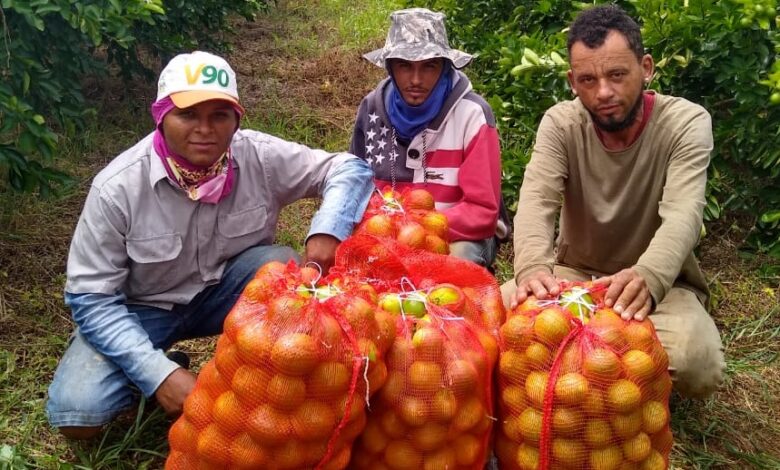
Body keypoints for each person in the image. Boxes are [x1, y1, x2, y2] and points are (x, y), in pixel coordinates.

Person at [46, 51, 374, 439]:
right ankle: (159, 367)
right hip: (142, 311)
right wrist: (158, 374)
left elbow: (348, 168)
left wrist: (327, 230)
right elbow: (92, 298)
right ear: (161, 116)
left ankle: (263, 384)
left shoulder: (258, 156)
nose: (205, 129)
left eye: (219, 115)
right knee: (77, 413)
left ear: (236, 119)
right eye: (188, 115)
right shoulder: (117, 188)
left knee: (278, 266)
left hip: (228, 294)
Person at [502, 5, 725, 398]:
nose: (603, 92)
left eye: (617, 75)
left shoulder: (686, 123)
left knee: (697, 363)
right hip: (571, 277)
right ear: (573, 81)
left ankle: (588, 370)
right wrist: (534, 269)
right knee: (489, 323)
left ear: (647, 68)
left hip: (658, 288)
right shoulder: (561, 124)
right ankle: (591, 373)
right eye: (588, 79)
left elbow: (683, 215)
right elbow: (537, 200)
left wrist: (649, 276)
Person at [351, 8, 508, 268]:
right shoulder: (371, 109)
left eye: (429, 66)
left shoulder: (472, 114)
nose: (415, 79)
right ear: (390, 67)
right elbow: (353, 187)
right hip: (387, 233)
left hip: (455, 233)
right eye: (404, 66)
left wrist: (416, 228)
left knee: (456, 262)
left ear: (445, 67)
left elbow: (482, 211)